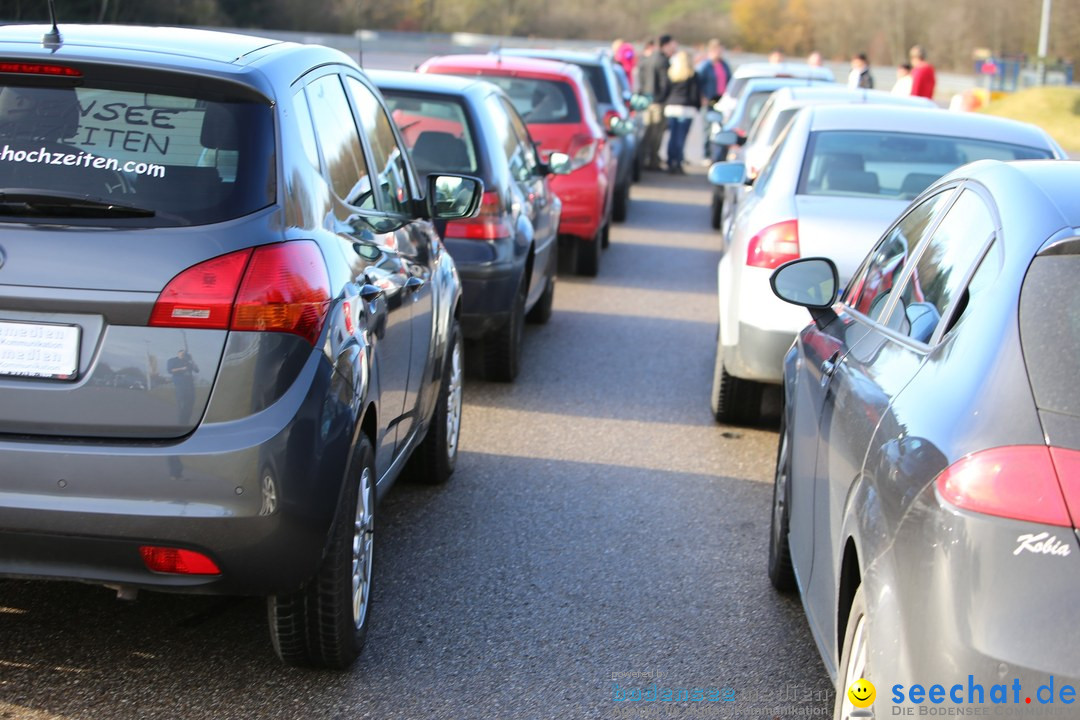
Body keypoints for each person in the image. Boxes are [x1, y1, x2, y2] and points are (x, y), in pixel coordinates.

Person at [639, 34, 676, 171]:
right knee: (656, 134)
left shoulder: (646, 59)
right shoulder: (663, 61)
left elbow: (641, 80)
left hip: (646, 100)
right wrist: (663, 98)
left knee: (647, 131)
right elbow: (665, 83)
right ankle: (652, 161)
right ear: (665, 45)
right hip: (658, 102)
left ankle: (643, 159)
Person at [663, 50, 700, 174]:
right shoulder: (692, 75)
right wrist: (697, 106)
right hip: (686, 109)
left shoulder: (672, 73)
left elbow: (665, 91)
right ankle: (677, 162)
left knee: (672, 137)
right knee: (680, 138)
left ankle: (670, 161)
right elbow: (695, 94)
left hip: (672, 107)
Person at [696, 39, 732, 162]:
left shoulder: (724, 65)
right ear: (711, 51)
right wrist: (702, 96)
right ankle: (706, 154)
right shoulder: (705, 66)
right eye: (717, 50)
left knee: (720, 127)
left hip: (721, 101)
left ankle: (717, 155)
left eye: (721, 50)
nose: (720, 52)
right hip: (709, 99)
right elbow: (698, 82)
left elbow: (729, 81)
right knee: (707, 127)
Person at [168, 348, 199, 423]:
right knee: (182, 404)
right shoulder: (172, 360)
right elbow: (170, 370)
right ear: (178, 353)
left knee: (190, 403)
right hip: (180, 385)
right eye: (182, 353)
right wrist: (182, 368)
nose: (183, 355)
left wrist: (192, 359)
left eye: (184, 354)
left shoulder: (188, 362)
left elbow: (197, 370)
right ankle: (181, 423)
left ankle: (186, 422)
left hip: (190, 385)